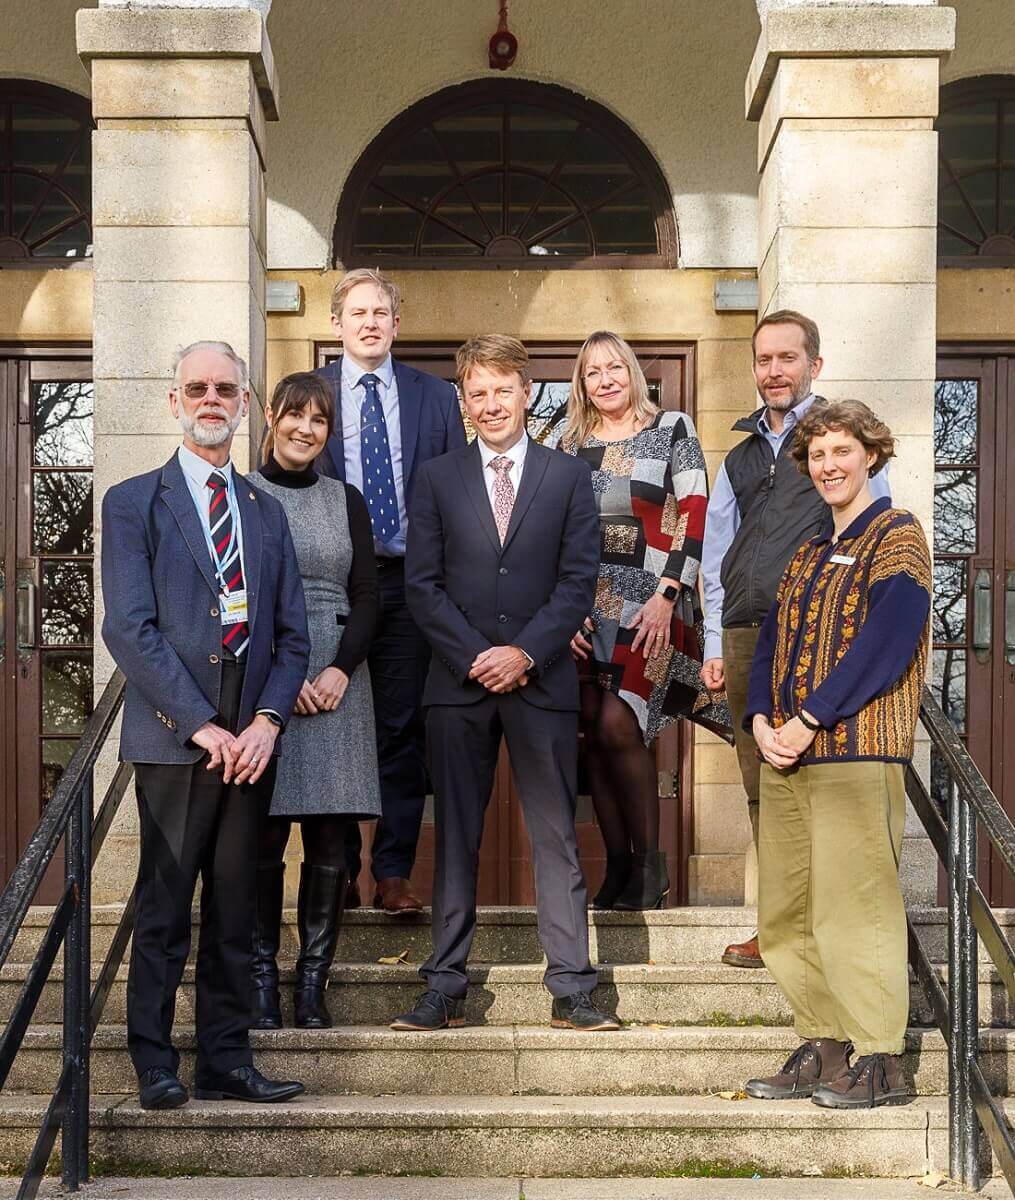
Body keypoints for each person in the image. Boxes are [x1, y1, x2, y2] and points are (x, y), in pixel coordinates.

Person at [101, 341, 309, 1110]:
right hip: (174, 740)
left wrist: (264, 721)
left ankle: (227, 1059)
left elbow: (292, 636)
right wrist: (200, 723)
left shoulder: (266, 511)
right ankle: (155, 1062)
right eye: (197, 387)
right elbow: (128, 627)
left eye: (226, 387)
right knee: (163, 907)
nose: (211, 398)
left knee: (235, 909)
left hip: (249, 748)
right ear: (174, 401)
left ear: (246, 403)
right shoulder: (132, 502)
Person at [392, 335, 619, 1033]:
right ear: (464, 402)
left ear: (528, 393)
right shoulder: (435, 477)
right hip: (456, 686)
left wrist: (522, 652)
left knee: (553, 836)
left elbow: (579, 580)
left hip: (541, 680)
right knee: (456, 835)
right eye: (477, 393)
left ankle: (572, 988)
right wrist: (476, 656)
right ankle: (444, 987)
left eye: (502, 390)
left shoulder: (566, 477)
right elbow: (421, 586)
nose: (490, 404)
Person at [742, 399, 929, 1109]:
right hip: (786, 754)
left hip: (854, 749)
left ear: (870, 455)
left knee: (854, 907)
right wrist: (762, 717)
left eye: (841, 452)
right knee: (787, 913)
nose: (828, 466)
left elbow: (887, 641)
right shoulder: (808, 550)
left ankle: (879, 1059)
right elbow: (768, 645)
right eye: (817, 455)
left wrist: (811, 715)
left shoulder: (896, 535)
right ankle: (823, 1046)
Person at [699, 310, 890, 968]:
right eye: (763, 360)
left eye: (786, 357)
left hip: (817, 635)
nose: (773, 370)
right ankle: (776, 927)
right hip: (746, 633)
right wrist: (713, 646)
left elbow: (874, 529)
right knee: (761, 788)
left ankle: (827, 927)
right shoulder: (741, 453)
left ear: (814, 363)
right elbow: (716, 549)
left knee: (819, 782)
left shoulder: (836, 440)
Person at [553, 332, 732, 911]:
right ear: (581, 384)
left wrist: (668, 590)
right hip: (587, 607)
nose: (604, 380)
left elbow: (696, 510)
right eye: (591, 373)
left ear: (631, 371)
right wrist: (562, 606)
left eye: (613, 368)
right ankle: (619, 869)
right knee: (590, 736)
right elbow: (548, 522)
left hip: (654, 605)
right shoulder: (567, 440)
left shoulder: (671, 429)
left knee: (618, 725)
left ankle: (650, 866)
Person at [316, 268, 467, 915]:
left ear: (396, 325)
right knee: (336, 725)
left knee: (402, 731)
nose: (370, 323)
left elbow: (458, 495)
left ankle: (394, 873)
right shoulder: (312, 395)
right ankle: (338, 870)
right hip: (337, 587)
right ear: (337, 324)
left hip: (409, 587)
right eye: (358, 313)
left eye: (380, 312)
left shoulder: (435, 398)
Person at [249, 372, 381, 1030]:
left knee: (331, 836)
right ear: (272, 416)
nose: (305, 428)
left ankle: (312, 985)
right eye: (295, 415)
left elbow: (368, 595)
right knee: (265, 836)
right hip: (263, 680)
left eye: (319, 420)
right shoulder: (242, 492)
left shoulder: (345, 499)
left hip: (338, 682)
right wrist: (280, 672)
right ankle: (261, 981)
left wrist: (337, 670)